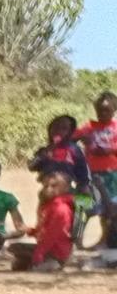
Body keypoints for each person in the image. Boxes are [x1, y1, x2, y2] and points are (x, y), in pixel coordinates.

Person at [21, 167, 79, 271]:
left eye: (54, 186)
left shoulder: (61, 209)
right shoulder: (48, 204)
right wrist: (31, 231)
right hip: (47, 247)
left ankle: (55, 263)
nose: (48, 189)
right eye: (45, 186)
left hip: (57, 251)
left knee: (33, 269)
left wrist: (39, 253)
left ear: (65, 188)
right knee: (16, 249)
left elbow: (52, 235)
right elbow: (44, 229)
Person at [78, 93, 117, 245]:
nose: (103, 113)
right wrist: (82, 139)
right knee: (83, 206)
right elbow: (70, 136)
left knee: (109, 210)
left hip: (112, 175)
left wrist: (110, 150)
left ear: (114, 110)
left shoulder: (115, 128)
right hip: (89, 174)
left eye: (107, 110)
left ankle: (103, 240)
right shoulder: (89, 127)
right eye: (100, 110)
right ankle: (78, 239)